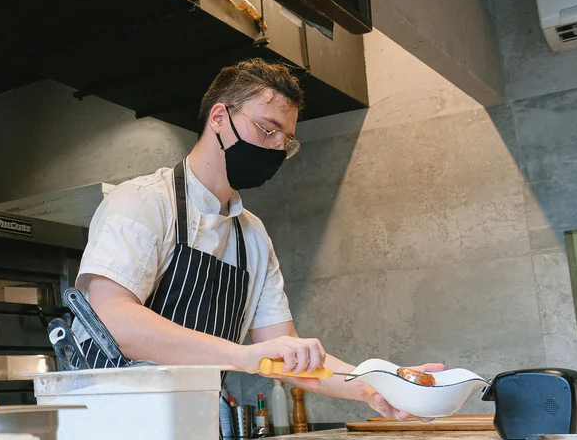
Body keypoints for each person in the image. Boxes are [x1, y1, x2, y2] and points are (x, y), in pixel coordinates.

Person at [74, 59, 439, 419]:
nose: (276, 149)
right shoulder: (143, 202)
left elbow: (290, 360)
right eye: (267, 130)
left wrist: (379, 387)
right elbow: (113, 320)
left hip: (189, 430)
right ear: (219, 118)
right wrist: (242, 356)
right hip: (105, 427)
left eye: (286, 141)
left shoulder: (252, 237)